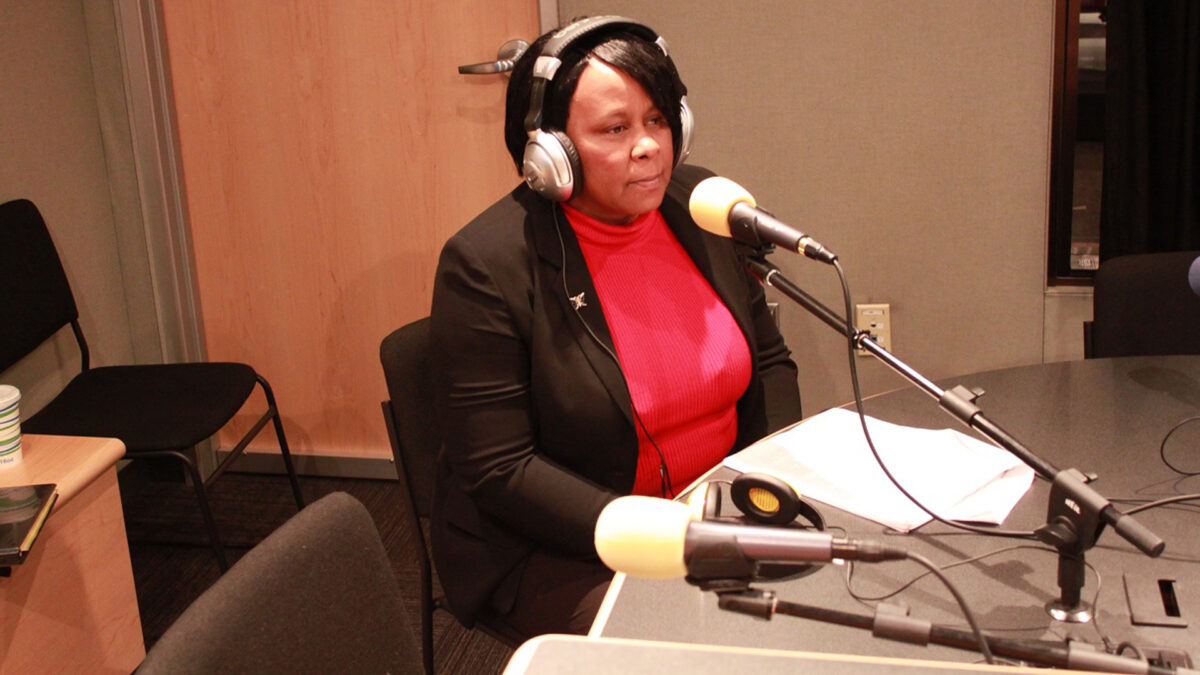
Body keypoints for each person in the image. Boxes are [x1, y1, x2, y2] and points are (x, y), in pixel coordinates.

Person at [429, 16, 802, 639]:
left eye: (658, 120)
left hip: (715, 509)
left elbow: (770, 360)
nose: (649, 145)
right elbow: (501, 470)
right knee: (706, 641)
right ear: (551, 152)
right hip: (563, 545)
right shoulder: (485, 265)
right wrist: (667, 538)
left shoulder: (698, 204)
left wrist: (770, 481)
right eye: (615, 129)